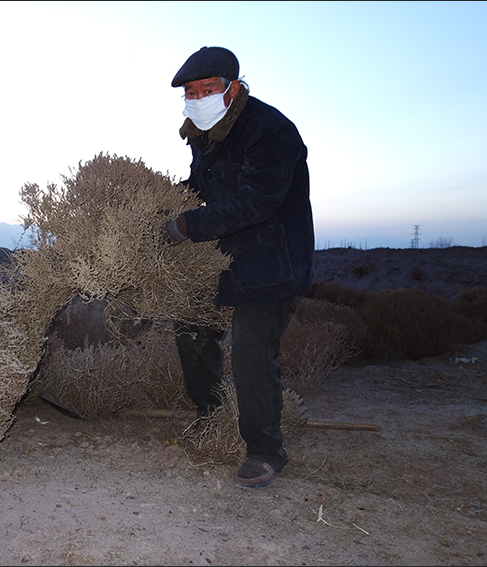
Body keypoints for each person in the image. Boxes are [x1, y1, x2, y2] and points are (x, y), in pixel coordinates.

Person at [163, 46, 315, 489]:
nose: (197, 98)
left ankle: (265, 451)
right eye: (190, 92)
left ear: (231, 88)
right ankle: (210, 414)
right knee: (191, 325)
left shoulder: (270, 129)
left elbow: (257, 200)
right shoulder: (204, 134)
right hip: (224, 254)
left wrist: (185, 226)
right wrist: (164, 201)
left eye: (206, 89)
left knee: (250, 352)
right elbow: (200, 186)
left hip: (272, 259)